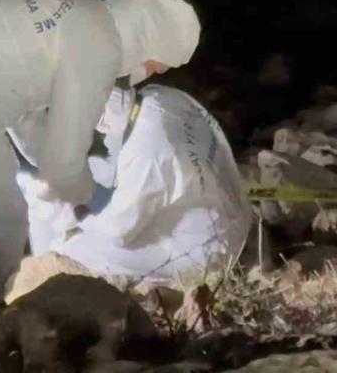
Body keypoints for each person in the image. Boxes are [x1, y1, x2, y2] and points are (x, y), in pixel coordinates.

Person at [0, 0, 201, 325]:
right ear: (147, 40)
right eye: (157, 65)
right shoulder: (99, 51)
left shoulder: (85, 13)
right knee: (0, 218)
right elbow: (62, 165)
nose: (153, 73)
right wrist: (92, 197)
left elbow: (25, 113)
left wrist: (57, 167)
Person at [20, 84, 255, 282]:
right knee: (95, 170)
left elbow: (118, 232)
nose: (97, 127)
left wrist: (71, 213)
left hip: (208, 250)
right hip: (230, 211)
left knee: (67, 250)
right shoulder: (161, 96)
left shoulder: (146, 153)